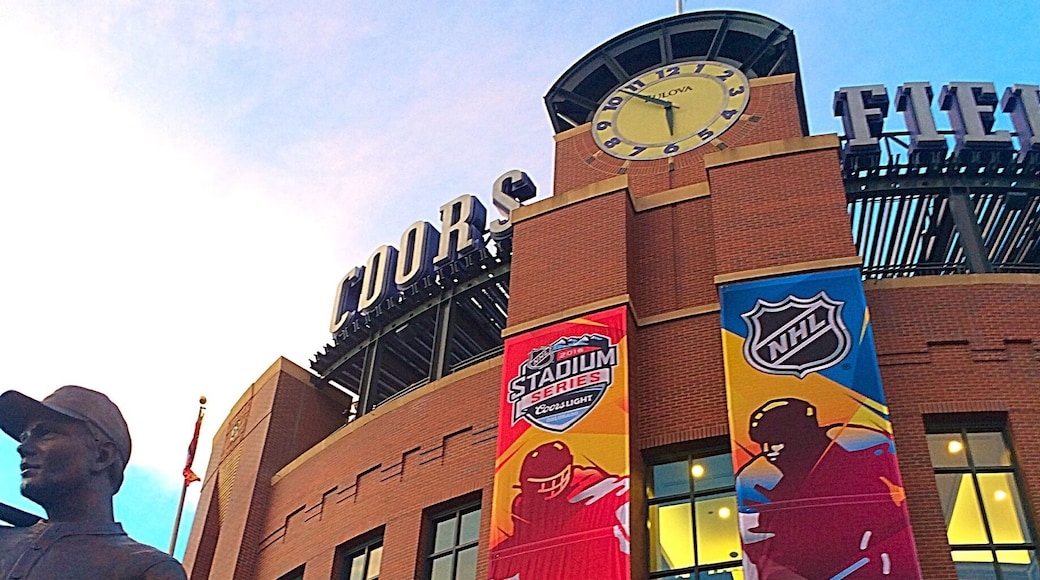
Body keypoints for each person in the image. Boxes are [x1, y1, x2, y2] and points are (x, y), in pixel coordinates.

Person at [0, 386, 187, 579]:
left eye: (46, 433)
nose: (23, 447)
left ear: (102, 456)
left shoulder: (146, 568)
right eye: (24, 437)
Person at [737, 398, 919, 579]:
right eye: (764, 443)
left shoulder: (865, 450)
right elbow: (760, 548)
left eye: (777, 440)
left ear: (802, 434)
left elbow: (896, 507)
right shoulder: (758, 481)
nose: (769, 450)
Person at [488, 440, 630, 580]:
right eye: (539, 485)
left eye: (549, 483)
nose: (545, 490)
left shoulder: (606, 494)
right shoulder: (526, 515)